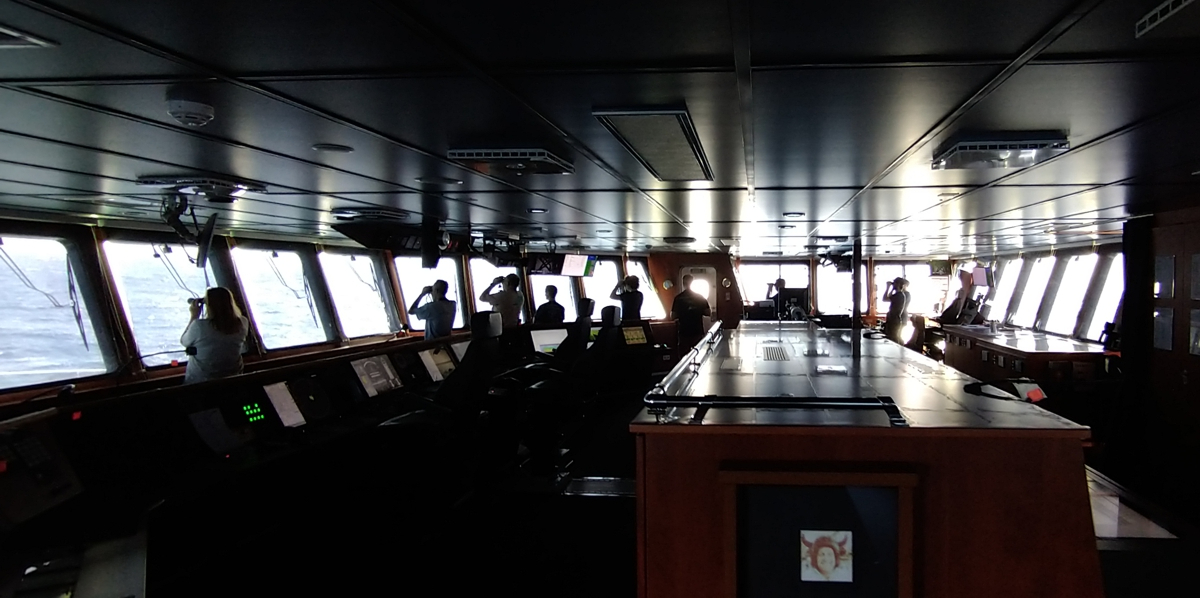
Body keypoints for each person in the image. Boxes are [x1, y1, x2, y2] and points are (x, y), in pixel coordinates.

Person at [180, 287, 249, 385]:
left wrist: (194, 315)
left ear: (209, 306)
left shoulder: (199, 326)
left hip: (201, 382)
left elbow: (184, 341)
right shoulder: (243, 323)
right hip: (233, 379)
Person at [670, 274, 711, 347]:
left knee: (685, 354)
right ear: (692, 282)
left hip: (684, 332)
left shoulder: (678, 298)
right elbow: (708, 313)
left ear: (683, 283)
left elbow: (673, 316)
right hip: (697, 331)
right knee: (697, 352)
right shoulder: (700, 297)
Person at [883, 276, 910, 343]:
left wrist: (888, 288)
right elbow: (889, 297)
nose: (893, 285)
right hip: (895, 319)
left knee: (894, 337)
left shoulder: (899, 295)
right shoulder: (899, 294)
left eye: (895, 283)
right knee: (896, 336)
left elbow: (885, 298)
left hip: (895, 319)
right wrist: (892, 289)